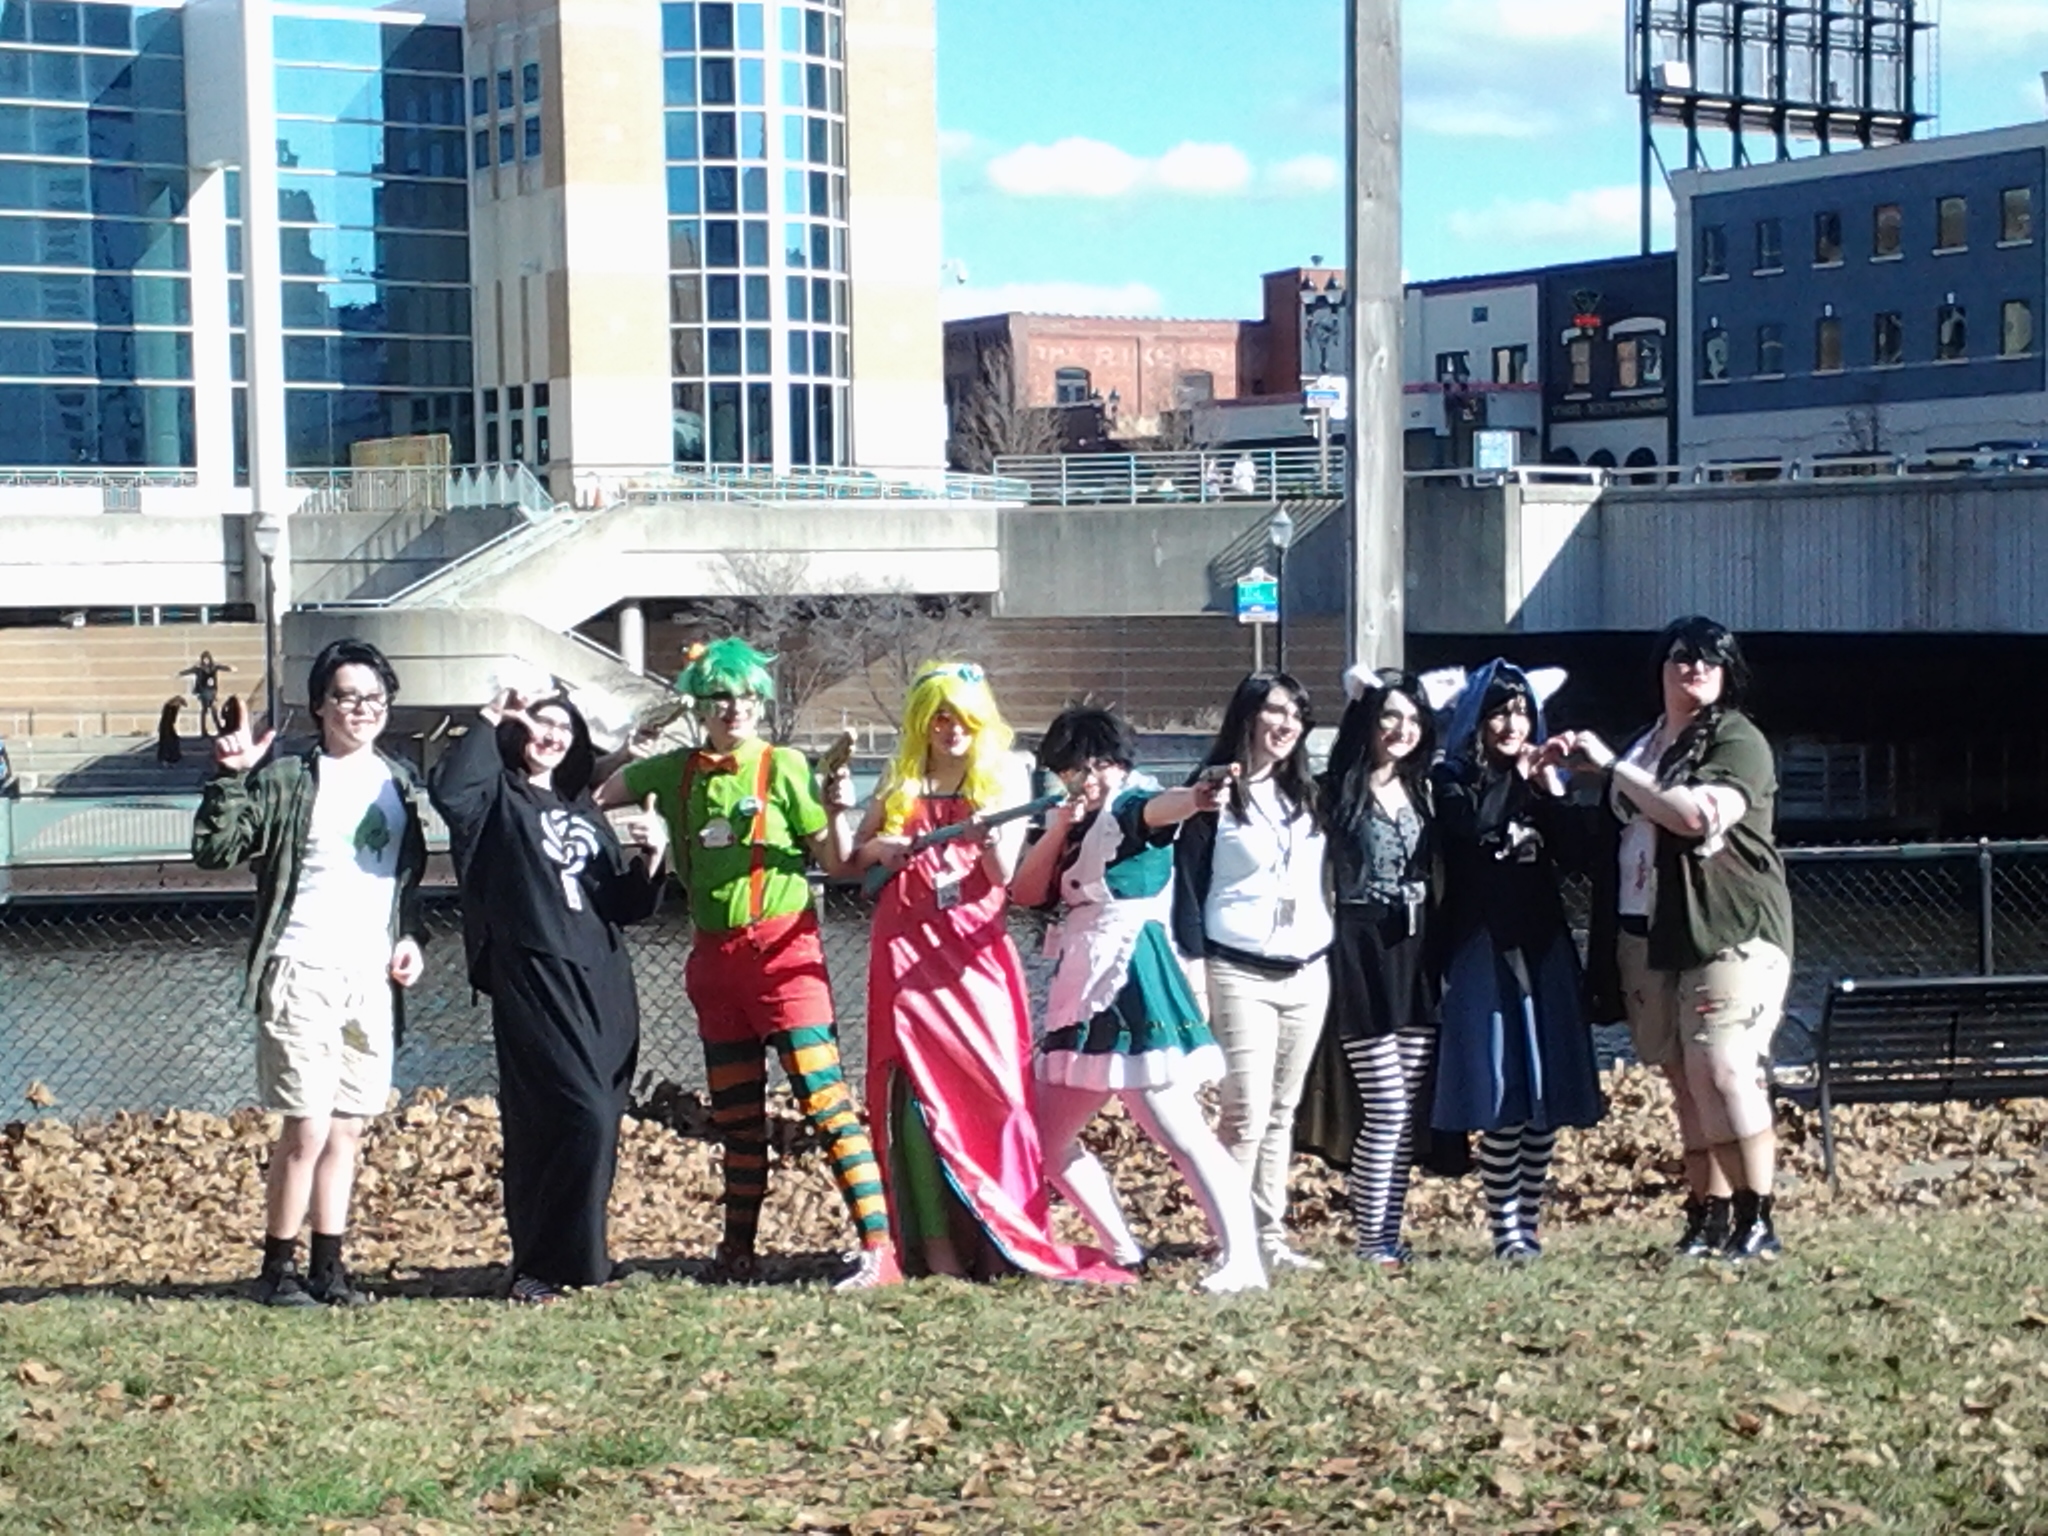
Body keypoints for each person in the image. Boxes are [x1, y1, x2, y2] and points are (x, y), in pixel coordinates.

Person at [596, 638, 900, 1290]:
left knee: (824, 1102)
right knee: (736, 1119)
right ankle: (737, 1253)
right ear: (700, 705)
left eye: (746, 696)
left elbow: (837, 863)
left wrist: (839, 811)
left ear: (761, 703)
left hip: (785, 956)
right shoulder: (673, 771)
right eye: (720, 696)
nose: (735, 707)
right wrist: (626, 750)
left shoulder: (784, 766)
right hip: (714, 964)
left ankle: (880, 1250)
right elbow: (592, 794)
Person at [850, 663, 1128, 1283]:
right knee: (915, 1106)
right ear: (923, 721)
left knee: (999, 1095)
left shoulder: (1002, 774)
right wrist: (882, 848)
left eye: (965, 719)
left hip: (974, 956)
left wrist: (983, 835)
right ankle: (936, 1248)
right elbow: (854, 858)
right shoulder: (900, 779)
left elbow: (1006, 877)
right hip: (907, 955)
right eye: (941, 718)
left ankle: (1003, 1236)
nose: (953, 730)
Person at [192, 638, 428, 1306]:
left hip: (369, 978)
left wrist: (410, 938)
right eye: (347, 697)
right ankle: (278, 1270)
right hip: (301, 965)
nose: (362, 709)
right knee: (308, 1126)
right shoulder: (289, 778)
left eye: (374, 698)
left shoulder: (398, 782)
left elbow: (402, 885)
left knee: (348, 1126)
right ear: (320, 705)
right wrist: (232, 777)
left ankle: (330, 1268)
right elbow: (216, 850)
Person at [1012, 705, 1267, 1294]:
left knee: (1180, 1130)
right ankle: (1121, 1248)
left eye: (1090, 766)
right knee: (1045, 1139)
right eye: (1070, 770)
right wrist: (1058, 827)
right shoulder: (1075, 822)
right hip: (1081, 982)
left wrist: (1200, 796)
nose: (1082, 779)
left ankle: (1243, 1257)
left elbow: (1167, 807)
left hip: (1132, 972)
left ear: (1113, 762)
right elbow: (1024, 891)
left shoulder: (1133, 803)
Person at [1567, 617, 1795, 1261]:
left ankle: (1757, 1217)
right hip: (1648, 930)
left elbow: (1693, 816)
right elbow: (1615, 829)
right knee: (1685, 1078)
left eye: (1708, 659)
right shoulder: (1646, 744)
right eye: (1680, 657)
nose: (1694, 668)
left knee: (1723, 1066)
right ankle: (1707, 1217)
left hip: (1726, 925)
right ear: (1660, 669)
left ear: (1727, 672)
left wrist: (1611, 767)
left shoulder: (1736, 739)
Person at [431, 689, 669, 1302]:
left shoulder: (580, 806)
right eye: (542, 722)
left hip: (603, 979)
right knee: (567, 1115)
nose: (553, 735)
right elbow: (450, 793)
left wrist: (652, 858)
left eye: (565, 727)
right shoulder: (496, 797)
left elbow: (622, 904)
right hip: (534, 973)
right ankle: (539, 1265)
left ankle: (585, 1261)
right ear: (518, 728)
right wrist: (489, 717)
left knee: (602, 1118)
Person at [1429, 660, 1604, 1262]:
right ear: (1476, 720)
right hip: (1481, 950)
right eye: (1500, 713)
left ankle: (1528, 1222)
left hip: (1543, 946)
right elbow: (1470, 830)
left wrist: (1551, 787)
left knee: (1542, 1095)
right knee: (1502, 1092)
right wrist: (1518, 780)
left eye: (1523, 712)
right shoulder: (1450, 779)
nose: (1512, 725)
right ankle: (1504, 1228)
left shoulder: (1538, 779)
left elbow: (1579, 858)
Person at [1171, 673, 1331, 1272]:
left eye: (1297, 714)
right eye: (1275, 711)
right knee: (1244, 1113)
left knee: (1283, 1112)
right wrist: (1194, 969)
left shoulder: (1306, 794)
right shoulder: (1211, 794)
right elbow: (1187, 888)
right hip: (1238, 971)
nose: (1286, 724)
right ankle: (1231, 1243)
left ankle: (1269, 1237)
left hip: (1308, 971)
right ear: (1247, 715)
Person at [1317, 666, 1441, 1269]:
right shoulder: (1333, 792)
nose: (1402, 729)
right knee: (1385, 1104)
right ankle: (1372, 1239)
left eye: (1413, 719)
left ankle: (1389, 1235)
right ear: (1367, 719)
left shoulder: (1426, 790)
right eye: (1390, 715)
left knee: (1406, 1107)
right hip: (1357, 949)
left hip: (1415, 952)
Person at [180, 650, 233, 736]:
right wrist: (181, 673)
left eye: (207, 659)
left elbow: (222, 667)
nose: (205, 661)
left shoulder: (214, 667)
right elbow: (189, 671)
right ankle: (204, 730)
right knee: (205, 710)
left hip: (212, 691)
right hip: (203, 691)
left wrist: (229, 668)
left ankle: (218, 728)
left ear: (210, 659)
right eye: (204, 659)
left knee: (213, 709)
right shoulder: (199, 668)